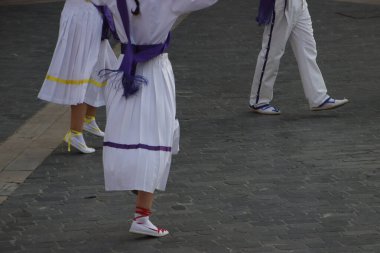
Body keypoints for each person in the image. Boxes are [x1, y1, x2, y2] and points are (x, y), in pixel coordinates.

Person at [91, 0, 218, 237]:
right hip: (154, 72)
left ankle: (138, 190)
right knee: (155, 137)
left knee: (130, 135)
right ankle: (141, 214)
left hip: (124, 71)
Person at [38, 0, 117, 153]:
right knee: (81, 69)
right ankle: (75, 132)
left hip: (93, 13)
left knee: (99, 65)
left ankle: (88, 119)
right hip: (82, 16)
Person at [249, 0, 349, 115]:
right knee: (272, 52)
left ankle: (318, 97)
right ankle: (259, 101)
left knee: (308, 49)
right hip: (281, 4)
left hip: (299, 3)